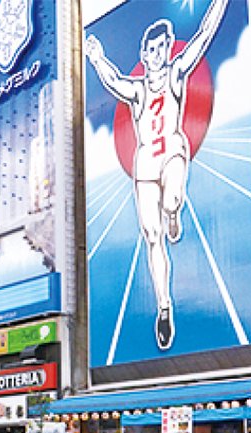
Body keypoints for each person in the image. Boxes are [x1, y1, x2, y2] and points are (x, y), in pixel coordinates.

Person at [85, 0, 229, 349]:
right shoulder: (137, 90)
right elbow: (114, 81)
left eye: (163, 46)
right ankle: (164, 307)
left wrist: (220, 4)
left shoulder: (178, 73)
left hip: (174, 152)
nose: (158, 53)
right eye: (152, 48)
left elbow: (204, 36)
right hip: (146, 164)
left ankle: (174, 211)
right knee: (152, 236)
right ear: (144, 53)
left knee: (174, 197)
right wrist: (96, 57)